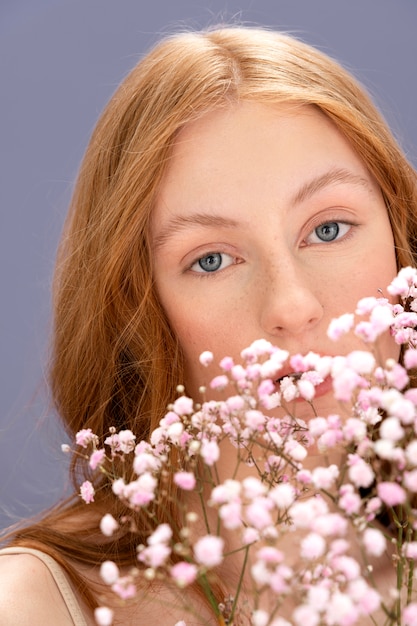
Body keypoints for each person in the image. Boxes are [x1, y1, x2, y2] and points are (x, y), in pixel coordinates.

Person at [1, 25, 416, 626]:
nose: (292, 306)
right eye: (212, 259)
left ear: (402, 243)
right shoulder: (35, 609)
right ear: (135, 310)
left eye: (329, 229)